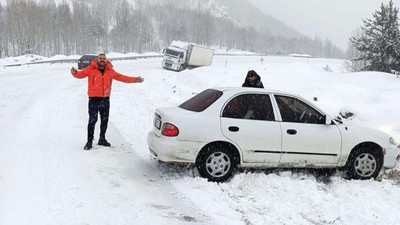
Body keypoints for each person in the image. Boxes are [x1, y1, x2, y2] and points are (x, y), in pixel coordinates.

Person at [71, 53, 144, 150]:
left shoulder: (110, 70)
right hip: (93, 99)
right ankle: (89, 141)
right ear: (97, 60)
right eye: (100, 58)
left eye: (103, 58)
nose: (102, 60)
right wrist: (74, 73)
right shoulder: (90, 69)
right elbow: (80, 75)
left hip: (105, 100)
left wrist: (135, 80)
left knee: (104, 120)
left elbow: (122, 77)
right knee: (92, 120)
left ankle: (102, 139)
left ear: (106, 60)